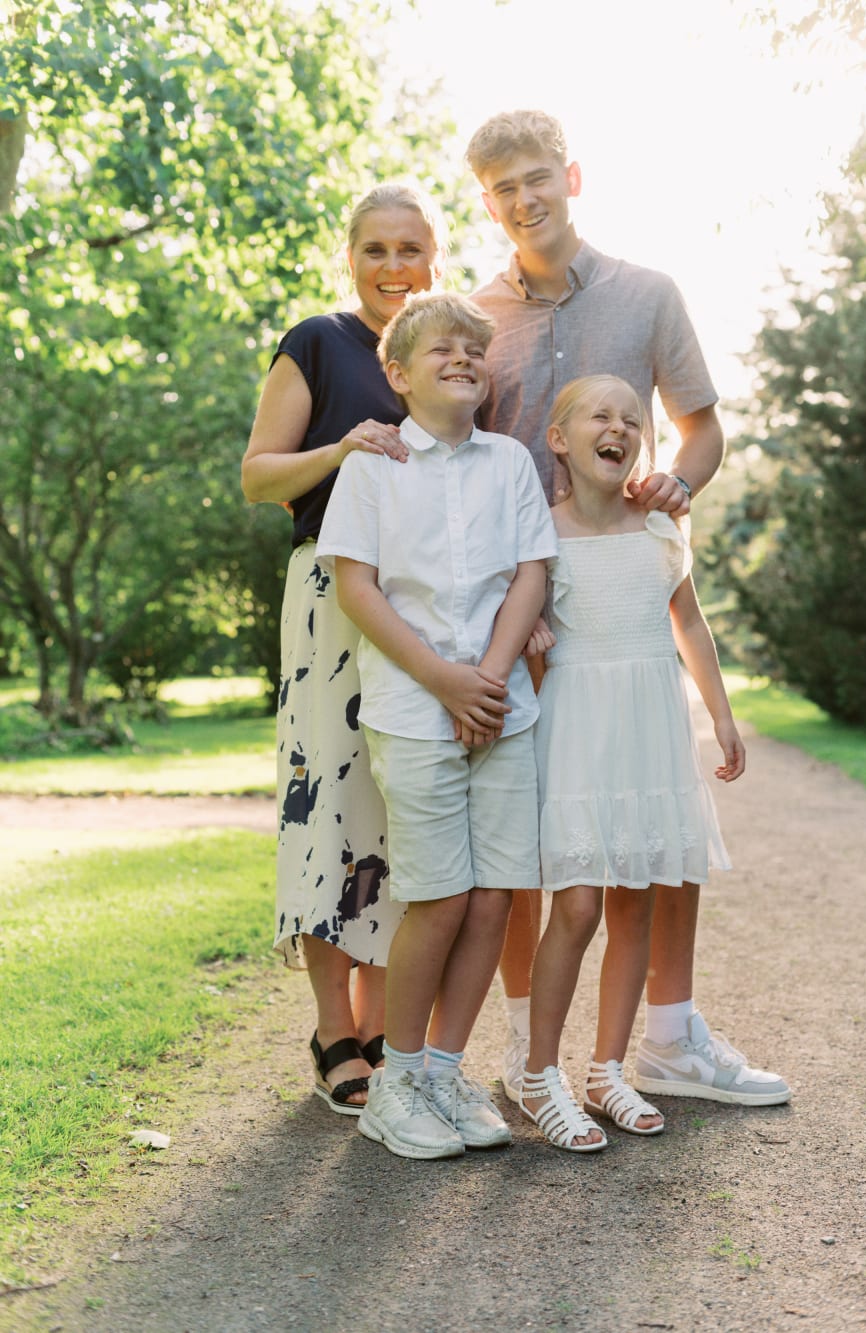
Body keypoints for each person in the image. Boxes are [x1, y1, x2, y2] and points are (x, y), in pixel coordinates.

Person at [465, 109, 790, 1109]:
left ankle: (667, 1038)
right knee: (535, 841)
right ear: (486, 200)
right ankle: (533, 1053)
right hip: (522, 602)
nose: (525, 200)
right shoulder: (476, 314)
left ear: (571, 175)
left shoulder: (650, 294)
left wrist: (678, 488)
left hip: (625, 589)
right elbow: (463, 453)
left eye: (537, 178)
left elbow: (701, 429)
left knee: (659, 826)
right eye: (503, 187)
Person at [317, 291, 559, 1160]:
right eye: (440, 350)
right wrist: (445, 683)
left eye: (472, 349)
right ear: (397, 373)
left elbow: (531, 573)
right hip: (415, 711)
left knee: (496, 893)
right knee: (441, 894)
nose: (462, 358)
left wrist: (486, 682)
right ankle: (397, 1081)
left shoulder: (507, 463)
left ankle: (446, 1070)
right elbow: (358, 589)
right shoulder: (374, 468)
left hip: (502, 707)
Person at [241, 183, 445, 1116]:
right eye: (376, 249)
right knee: (328, 798)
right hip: (329, 594)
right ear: (349, 258)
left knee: (398, 807)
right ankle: (332, 1028)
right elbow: (256, 475)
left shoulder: (448, 343)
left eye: (410, 249)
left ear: (434, 256)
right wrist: (343, 448)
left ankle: (375, 1020)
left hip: (426, 599)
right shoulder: (317, 342)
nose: (394, 267)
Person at [521, 375, 745, 1153]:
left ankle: (607, 1069)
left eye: (631, 420)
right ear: (560, 440)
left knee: (637, 904)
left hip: (651, 734)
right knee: (577, 907)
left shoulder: (659, 532)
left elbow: (689, 623)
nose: (618, 428)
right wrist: (527, 636)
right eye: (598, 417)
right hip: (583, 735)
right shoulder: (541, 535)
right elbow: (515, 621)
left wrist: (719, 715)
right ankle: (538, 1073)